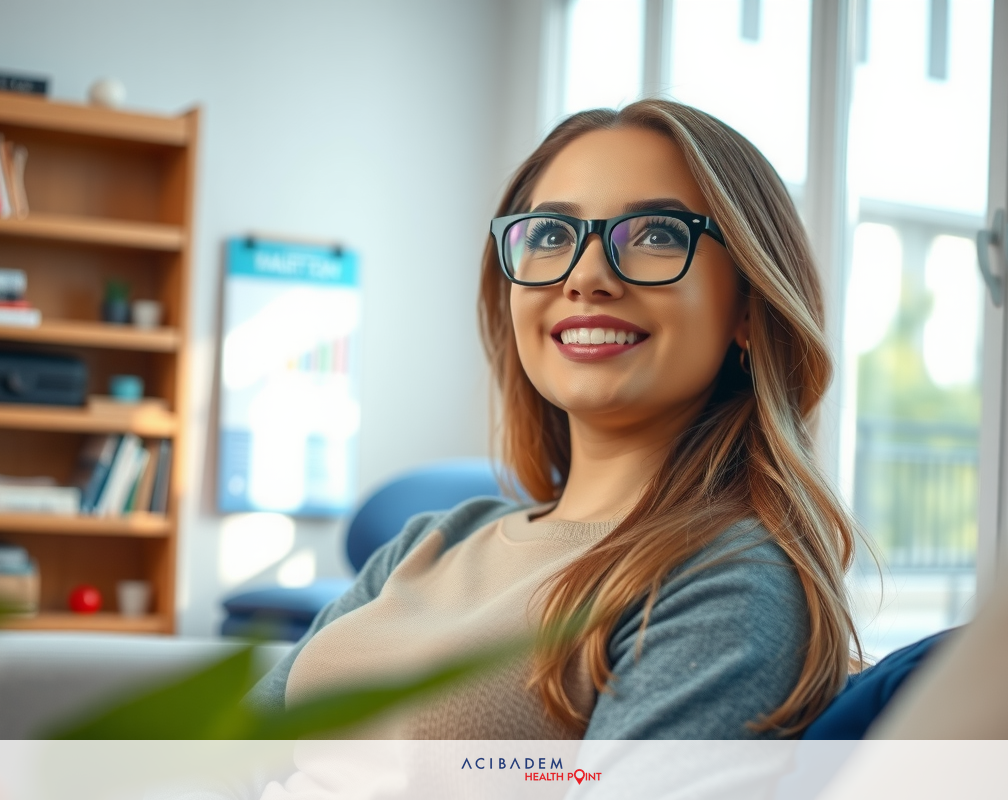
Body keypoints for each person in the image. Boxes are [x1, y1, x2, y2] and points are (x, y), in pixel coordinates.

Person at [245, 99, 860, 740]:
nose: (586, 276)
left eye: (656, 235)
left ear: (748, 307)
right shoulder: (429, 542)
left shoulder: (726, 584)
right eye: (549, 236)